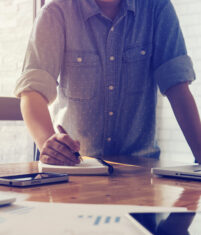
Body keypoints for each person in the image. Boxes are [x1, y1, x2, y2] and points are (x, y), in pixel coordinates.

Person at [15, 0, 201, 166]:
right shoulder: (56, 12)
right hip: (77, 169)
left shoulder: (158, 8)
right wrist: (49, 144)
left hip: (141, 172)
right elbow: (33, 91)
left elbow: (177, 87)